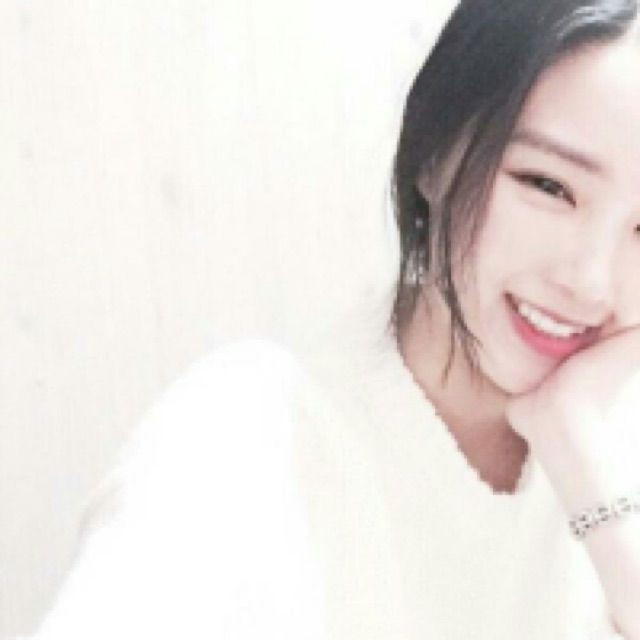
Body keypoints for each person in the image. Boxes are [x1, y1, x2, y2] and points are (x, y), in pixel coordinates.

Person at [20, 0, 640, 637]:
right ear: (436, 153)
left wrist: (582, 456)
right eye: (547, 186)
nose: (590, 281)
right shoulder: (247, 433)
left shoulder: (613, 439)